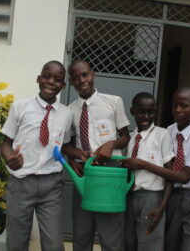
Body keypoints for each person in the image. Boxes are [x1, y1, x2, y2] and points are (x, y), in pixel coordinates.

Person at [121, 86, 190, 251]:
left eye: (183, 106)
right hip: (174, 195)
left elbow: (185, 176)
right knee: (170, 244)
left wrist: (143, 164)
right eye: (174, 105)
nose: (177, 110)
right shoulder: (168, 131)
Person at [0, 60, 72, 251]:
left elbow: (65, 146)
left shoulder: (66, 114)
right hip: (21, 183)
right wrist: (9, 158)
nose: (50, 82)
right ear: (38, 78)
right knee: (17, 242)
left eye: (57, 80)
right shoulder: (20, 107)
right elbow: (5, 144)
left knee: (54, 245)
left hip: (51, 185)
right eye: (46, 76)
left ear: (63, 86)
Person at [62, 60, 130, 251]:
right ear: (71, 81)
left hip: (110, 174)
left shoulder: (113, 102)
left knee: (111, 237)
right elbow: (65, 145)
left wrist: (111, 143)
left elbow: (125, 136)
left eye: (84, 75)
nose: (81, 80)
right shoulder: (70, 111)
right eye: (75, 78)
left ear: (93, 74)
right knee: (82, 235)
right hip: (84, 175)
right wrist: (72, 158)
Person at [123, 92, 175, 251]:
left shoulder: (162, 135)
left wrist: (162, 207)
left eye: (151, 112)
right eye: (141, 112)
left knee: (149, 242)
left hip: (152, 197)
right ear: (132, 111)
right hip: (130, 197)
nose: (146, 116)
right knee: (128, 240)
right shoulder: (131, 138)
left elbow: (169, 175)